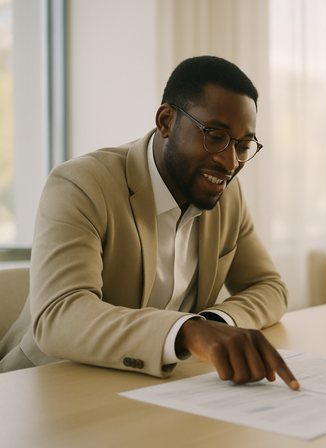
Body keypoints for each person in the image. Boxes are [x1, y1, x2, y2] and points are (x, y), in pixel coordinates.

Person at [0, 56, 299, 391]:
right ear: (166, 122)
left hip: (155, 388)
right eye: (215, 136)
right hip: (46, 387)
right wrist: (186, 331)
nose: (230, 162)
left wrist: (215, 324)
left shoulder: (225, 193)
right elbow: (60, 315)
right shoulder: (82, 184)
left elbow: (269, 288)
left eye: (243, 146)